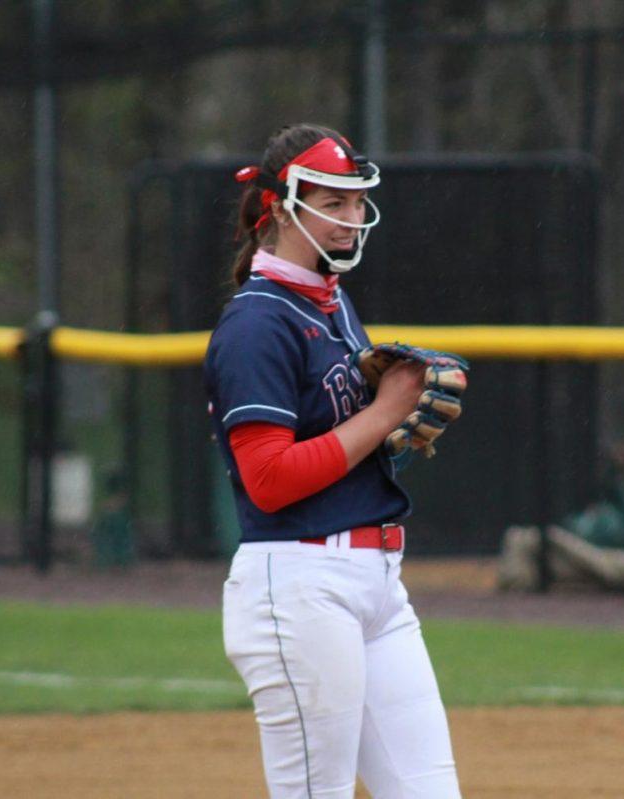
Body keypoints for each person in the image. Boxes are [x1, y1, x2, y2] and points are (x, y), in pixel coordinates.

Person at [203, 123, 462, 798]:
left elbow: (343, 441)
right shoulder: (257, 321)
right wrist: (382, 412)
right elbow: (268, 480)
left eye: (355, 201)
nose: (352, 217)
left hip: (376, 581)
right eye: (334, 201)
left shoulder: (331, 301)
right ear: (284, 207)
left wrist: (389, 427)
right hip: (300, 583)